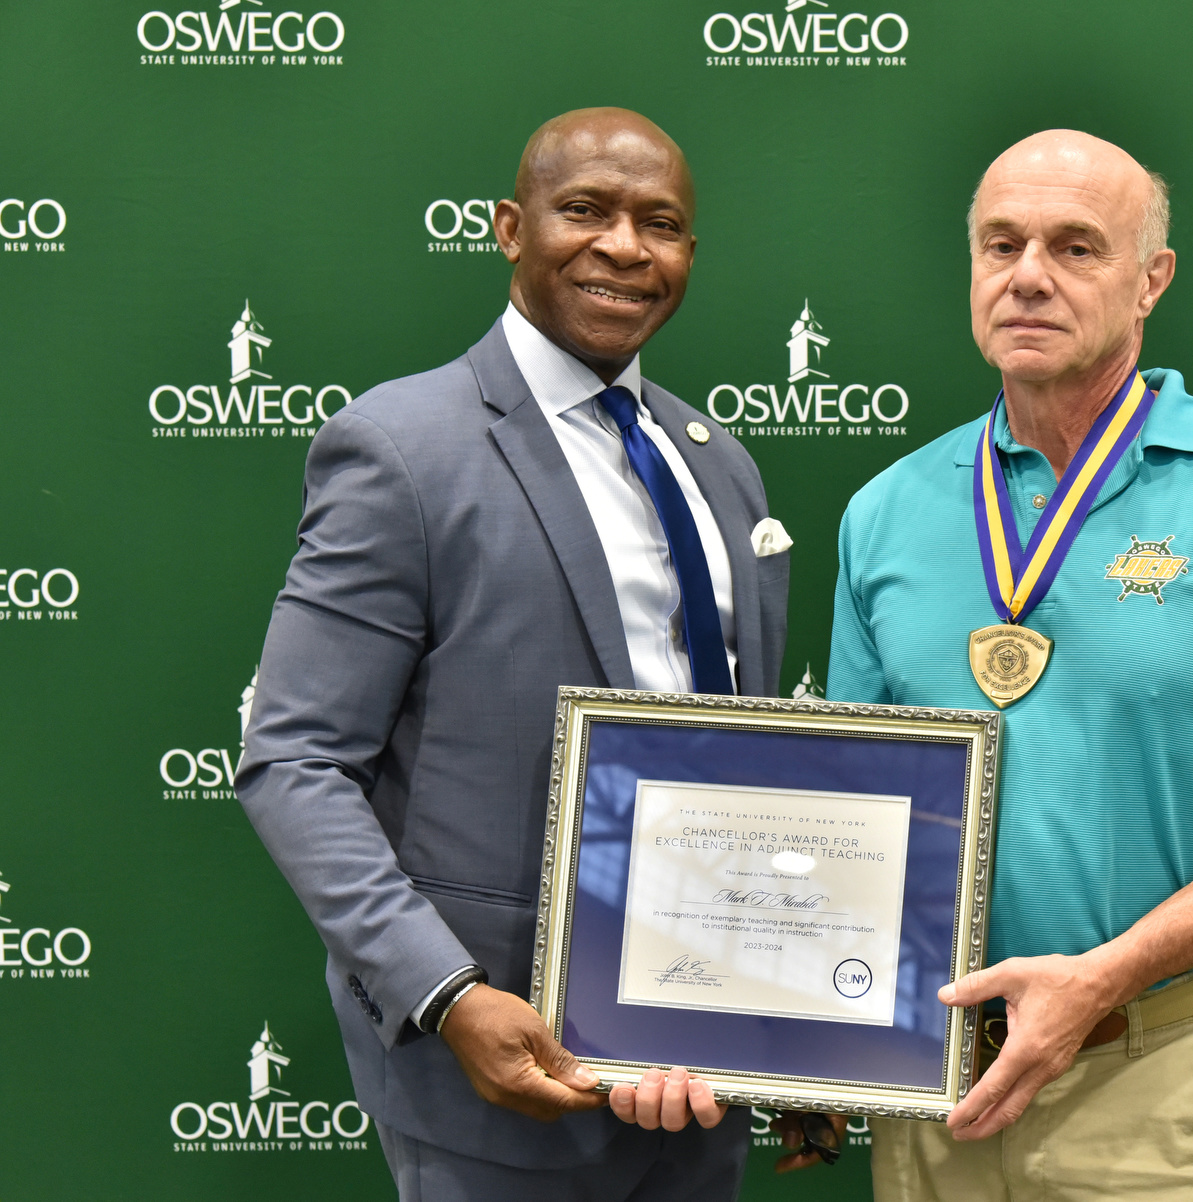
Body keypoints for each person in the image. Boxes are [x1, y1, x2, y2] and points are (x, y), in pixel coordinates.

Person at [827, 130, 1193, 1200]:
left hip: (1143, 1079)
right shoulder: (886, 511)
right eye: (1000, 244)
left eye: (1076, 247)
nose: (1028, 276)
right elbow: (859, 812)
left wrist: (1107, 973)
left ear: (1153, 280)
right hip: (934, 1086)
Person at [237, 108, 792, 1201]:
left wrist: (798, 1019)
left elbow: (746, 763)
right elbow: (293, 758)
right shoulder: (404, 449)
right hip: (501, 1066)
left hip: (701, 1069)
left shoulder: (718, 465)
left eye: (661, 223)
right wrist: (446, 992)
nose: (626, 246)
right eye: (585, 209)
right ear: (510, 227)